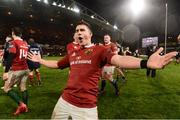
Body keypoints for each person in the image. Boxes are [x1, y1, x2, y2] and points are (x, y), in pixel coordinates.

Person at [28, 21, 177, 119]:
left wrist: (145, 63)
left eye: (82, 30)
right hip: (64, 101)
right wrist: (40, 60)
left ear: (90, 35)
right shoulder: (73, 53)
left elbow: (118, 60)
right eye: (76, 30)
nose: (79, 32)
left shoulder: (100, 50)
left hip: (86, 108)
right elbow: (58, 65)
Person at [2, 27, 29, 115]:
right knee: (23, 87)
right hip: (25, 68)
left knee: (6, 88)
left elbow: (10, 57)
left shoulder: (13, 43)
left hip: (16, 69)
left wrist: (6, 72)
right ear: (20, 34)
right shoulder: (25, 43)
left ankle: (21, 105)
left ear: (13, 33)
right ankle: (26, 107)